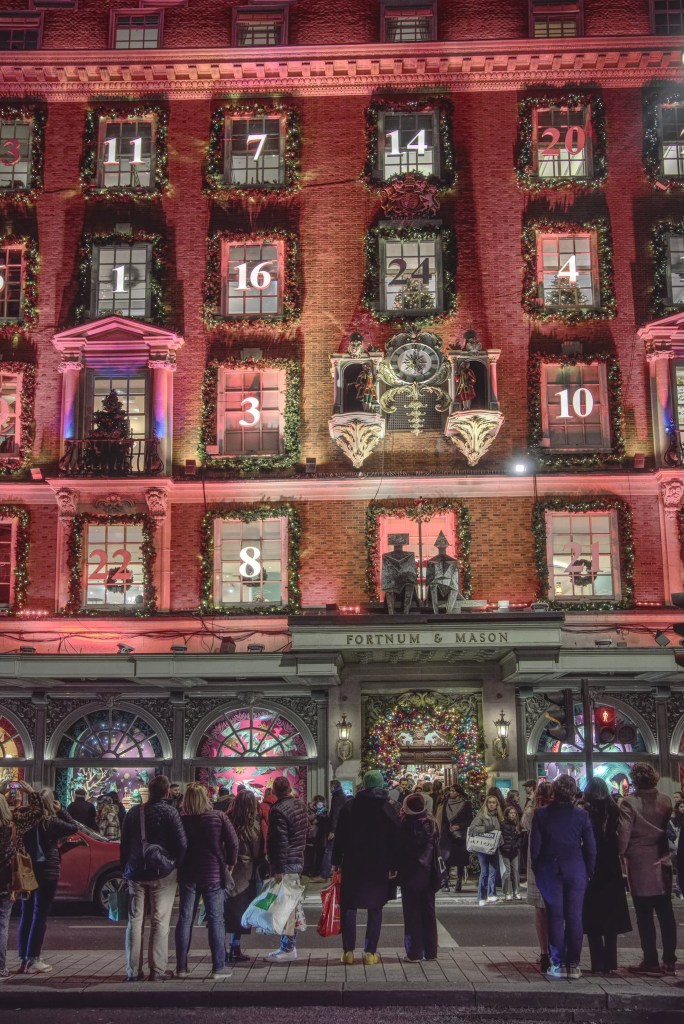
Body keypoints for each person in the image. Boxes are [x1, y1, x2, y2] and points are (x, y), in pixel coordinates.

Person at [120, 774, 187, 982]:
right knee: (160, 920)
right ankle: (157, 970)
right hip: (162, 872)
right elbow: (182, 844)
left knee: (135, 920)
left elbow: (124, 843)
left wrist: (125, 869)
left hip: (136, 872)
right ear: (167, 792)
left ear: (149, 791)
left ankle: (132, 971)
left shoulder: (134, 812)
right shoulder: (171, 812)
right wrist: (175, 863)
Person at [530, 774, 596, 980]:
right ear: (573, 793)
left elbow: (535, 848)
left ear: (554, 791)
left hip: (550, 869)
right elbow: (591, 848)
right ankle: (573, 963)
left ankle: (558, 962)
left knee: (555, 916)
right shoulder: (581, 816)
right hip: (575, 869)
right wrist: (588, 871)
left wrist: (538, 869)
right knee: (575, 916)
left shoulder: (541, 814)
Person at [332, 769, 401, 966]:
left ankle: (348, 952)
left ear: (364, 785)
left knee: (349, 906)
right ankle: (370, 952)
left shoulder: (350, 806)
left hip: (353, 863)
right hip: (379, 865)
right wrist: (394, 865)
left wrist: (336, 861)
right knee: (375, 908)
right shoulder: (388, 809)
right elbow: (395, 840)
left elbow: (340, 836)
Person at [618, 762, 677, 976]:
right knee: (666, 914)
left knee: (644, 915)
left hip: (640, 863)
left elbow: (624, 834)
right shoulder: (665, 800)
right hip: (662, 860)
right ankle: (669, 960)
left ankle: (650, 960)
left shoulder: (629, 802)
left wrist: (620, 852)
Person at [175, 782, 237, 981]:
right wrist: (230, 863)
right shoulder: (218, 817)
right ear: (205, 799)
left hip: (188, 873)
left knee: (185, 919)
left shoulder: (181, 820)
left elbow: (176, 844)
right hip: (213, 873)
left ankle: (181, 967)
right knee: (216, 919)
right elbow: (233, 842)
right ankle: (218, 967)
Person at [19, 788, 79, 974]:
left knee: (27, 913)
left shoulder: (27, 820)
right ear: (50, 803)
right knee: (40, 914)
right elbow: (73, 827)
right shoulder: (50, 822)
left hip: (29, 869)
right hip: (47, 870)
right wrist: (62, 810)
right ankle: (34, 959)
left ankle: (24, 958)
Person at [582, 777, 631, 974]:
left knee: (593, 914)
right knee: (611, 915)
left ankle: (597, 963)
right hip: (611, 864)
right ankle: (611, 962)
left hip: (593, 864)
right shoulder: (614, 810)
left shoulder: (586, 811)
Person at [0, 781, 44, 981]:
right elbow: (38, 813)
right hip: (5, 880)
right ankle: (1, 967)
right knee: (2, 924)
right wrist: (32, 792)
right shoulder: (14, 822)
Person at [264, 776, 308, 962]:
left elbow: (280, 842)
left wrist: (278, 868)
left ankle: (288, 948)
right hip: (297, 859)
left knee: (286, 908)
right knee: (290, 905)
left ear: (274, 791)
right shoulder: (300, 805)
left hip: (286, 863)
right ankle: (287, 946)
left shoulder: (278, 810)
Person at [398, 792, 438, 962]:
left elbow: (400, 850)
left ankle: (414, 952)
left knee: (412, 913)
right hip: (429, 873)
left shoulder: (405, 825)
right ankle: (431, 951)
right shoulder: (431, 823)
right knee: (428, 912)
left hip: (411, 874)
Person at [225, 789, 263, 963]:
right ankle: (235, 947)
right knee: (240, 911)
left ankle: (221, 949)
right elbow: (256, 850)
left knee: (223, 911)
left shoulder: (226, 819)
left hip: (226, 869)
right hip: (245, 870)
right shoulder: (252, 825)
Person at [522, 780, 553, 973]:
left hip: (537, 864)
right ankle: (556, 949)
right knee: (556, 910)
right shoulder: (559, 812)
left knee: (540, 911)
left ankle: (544, 952)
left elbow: (524, 823)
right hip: (554, 864)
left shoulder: (533, 813)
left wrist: (532, 802)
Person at [438, 784, 473, 892]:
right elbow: (442, 819)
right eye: (450, 790)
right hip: (447, 834)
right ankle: (445, 881)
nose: (451, 793)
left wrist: (459, 826)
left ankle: (459, 881)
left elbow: (470, 819)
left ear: (458, 793)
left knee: (460, 859)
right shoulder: (445, 803)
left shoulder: (466, 804)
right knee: (446, 858)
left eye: (453, 791)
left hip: (460, 835)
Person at [470, 793, 503, 906]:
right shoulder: (481, 815)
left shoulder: (498, 816)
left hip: (494, 847)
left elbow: (499, 832)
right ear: (486, 804)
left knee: (493, 871)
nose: (492, 804)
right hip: (483, 848)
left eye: (494, 803)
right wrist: (487, 828)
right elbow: (472, 828)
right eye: (490, 802)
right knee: (485, 872)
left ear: (497, 804)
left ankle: (491, 894)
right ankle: (481, 897)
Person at [321, 779, 347, 881]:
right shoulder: (341, 796)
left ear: (333, 787)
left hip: (335, 829)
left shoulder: (337, 797)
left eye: (330, 787)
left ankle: (325, 873)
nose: (329, 789)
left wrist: (332, 830)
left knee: (329, 850)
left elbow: (336, 815)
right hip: (340, 828)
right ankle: (333, 872)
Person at [500, 806, 522, 901]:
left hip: (514, 851)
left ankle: (516, 892)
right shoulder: (502, 824)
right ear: (507, 814)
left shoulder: (517, 825)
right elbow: (500, 837)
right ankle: (507, 892)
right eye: (511, 813)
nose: (513, 815)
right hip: (505, 851)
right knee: (507, 872)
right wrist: (503, 846)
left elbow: (520, 837)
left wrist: (517, 845)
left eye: (514, 813)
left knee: (515, 871)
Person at [304, 795, 328, 880]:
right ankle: (310, 871)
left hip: (319, 838)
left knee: (317, 855)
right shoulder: (311, 811)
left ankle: (314, 872)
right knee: (311, 855)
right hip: (312, 837)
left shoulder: (323, 812)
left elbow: (324, 824)